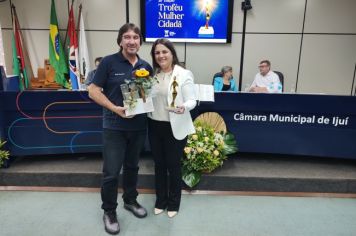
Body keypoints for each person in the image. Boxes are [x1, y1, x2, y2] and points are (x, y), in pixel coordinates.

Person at [88, 23, 153, 235]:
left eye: (135, 37)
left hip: (138, 126)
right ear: (120, 41)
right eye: (127, 37)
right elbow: (93, 91)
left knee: (133, 167)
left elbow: (147, 95)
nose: (132, 41)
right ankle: (109, 211)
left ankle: (130, 200)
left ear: (140, 41)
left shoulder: (146, 66)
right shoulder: (108, 62)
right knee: (111, 173)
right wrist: (114, 108)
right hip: (114, 127)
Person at [148, 38, 197, 218]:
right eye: (157, 52)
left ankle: (174, 203)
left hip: (174, 126)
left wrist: (184, 107)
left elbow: (192, 99)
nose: (161, 55)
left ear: (172, 53)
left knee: (173, 166)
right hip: (154, 125)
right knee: (159, 165)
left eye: (164, 52)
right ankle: (161, 200)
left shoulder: (183, 74)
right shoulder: (153, 75)